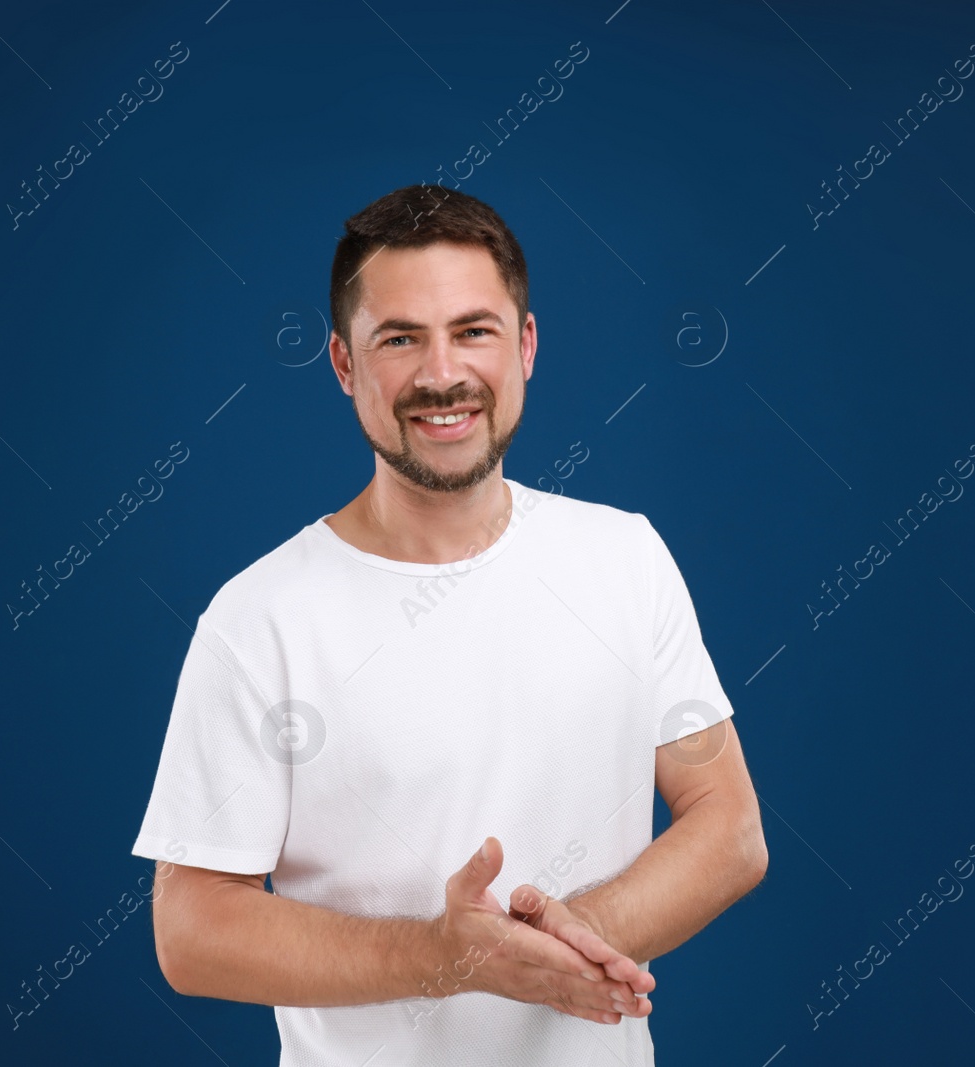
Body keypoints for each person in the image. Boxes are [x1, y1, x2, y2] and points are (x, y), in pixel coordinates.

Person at [130, 184, 767, 1066]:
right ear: (345, 364)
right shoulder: (258, 620)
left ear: (527, 345)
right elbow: (191, 926)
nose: (442, 374)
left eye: (473, 330)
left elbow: (727, 823)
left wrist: (556, 943)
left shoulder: (626, 558)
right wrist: (445, 956)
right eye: (400, 338)